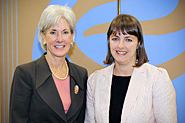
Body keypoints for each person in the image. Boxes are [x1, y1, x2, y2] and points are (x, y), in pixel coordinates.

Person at [85, 14, 177, 123]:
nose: (120, 45)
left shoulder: (156, 78)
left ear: (138, 43)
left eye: (128, 39)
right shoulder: (95, 80)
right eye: (115, 39)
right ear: (109, 41)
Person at [9, 5, 88, 123]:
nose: (60, 39)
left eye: (65, 32)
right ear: (43, 36)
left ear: (72, 36)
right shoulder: (25, 74)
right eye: (53, 32)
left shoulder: (81, 74)